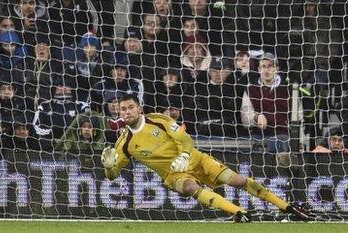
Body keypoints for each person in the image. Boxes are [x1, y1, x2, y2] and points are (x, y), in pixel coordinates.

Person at [101, 94, 312, 222]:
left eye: (130, 107)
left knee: (238, 180)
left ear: (139, 108)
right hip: (173, 175)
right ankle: (239, 212)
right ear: (120, 113)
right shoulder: (124, 142)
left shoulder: (158, 120)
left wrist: (184, 155)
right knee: (191, 188)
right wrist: (109, 166)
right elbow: (112, 176)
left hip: (196, 159)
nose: (127, 111)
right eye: (123, 109)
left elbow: (185, 139)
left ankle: (287, 207)